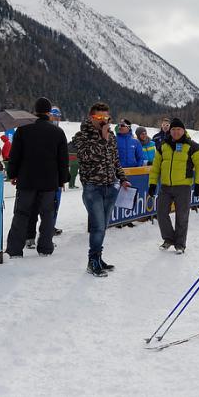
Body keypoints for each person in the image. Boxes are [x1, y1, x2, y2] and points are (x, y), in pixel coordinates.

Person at [73, 102, 131, 277]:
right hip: (93, 188)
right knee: (97, 226)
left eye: (106, 117)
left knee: (103, 226)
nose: (103, 121)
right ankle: (93, 261)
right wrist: (102, 139)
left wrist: (122, 178)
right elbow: (86, 156)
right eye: (99, 117)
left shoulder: (111, 136)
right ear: (91, 118)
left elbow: (115, 160)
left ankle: (98, 257)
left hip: (110, 187)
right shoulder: (81, 136)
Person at [5, 97, 69, 258]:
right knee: (47, 214)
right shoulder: (58, 132)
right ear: (49, 112)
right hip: (49, 182)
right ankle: (45, 248)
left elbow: (15, 156)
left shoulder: (23, 129)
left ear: (35, 110)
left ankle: (14, 250)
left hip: (26, 180)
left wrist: (12, 174)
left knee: (21, 214)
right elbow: (63, 160)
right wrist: (62, 179)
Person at [148, 118, 199, 253]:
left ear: (183, 130)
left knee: (182, 216)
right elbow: (156, 166)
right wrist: (152, 183)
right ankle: (168, 239)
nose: (175, 132)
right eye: (173, 129)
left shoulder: (193, 146)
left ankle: (180, 244)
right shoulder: (163, 145)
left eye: (178, 129)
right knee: (161, 213)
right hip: (165, 186)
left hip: (183, 187)